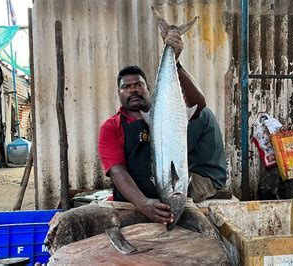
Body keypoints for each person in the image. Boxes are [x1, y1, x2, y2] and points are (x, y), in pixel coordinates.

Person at [44, 31, 227, 254]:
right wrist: (142, 204)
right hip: (132, 201)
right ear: (119, 94)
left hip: (168, 198)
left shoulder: (169, 116)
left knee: (206, 237)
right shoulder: (111, 127)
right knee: (70, 222)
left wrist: (176, 62)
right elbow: (118, 171)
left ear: (148, 88)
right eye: (126, 86)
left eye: (138, 84)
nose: (133, 89)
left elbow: (199, 105)